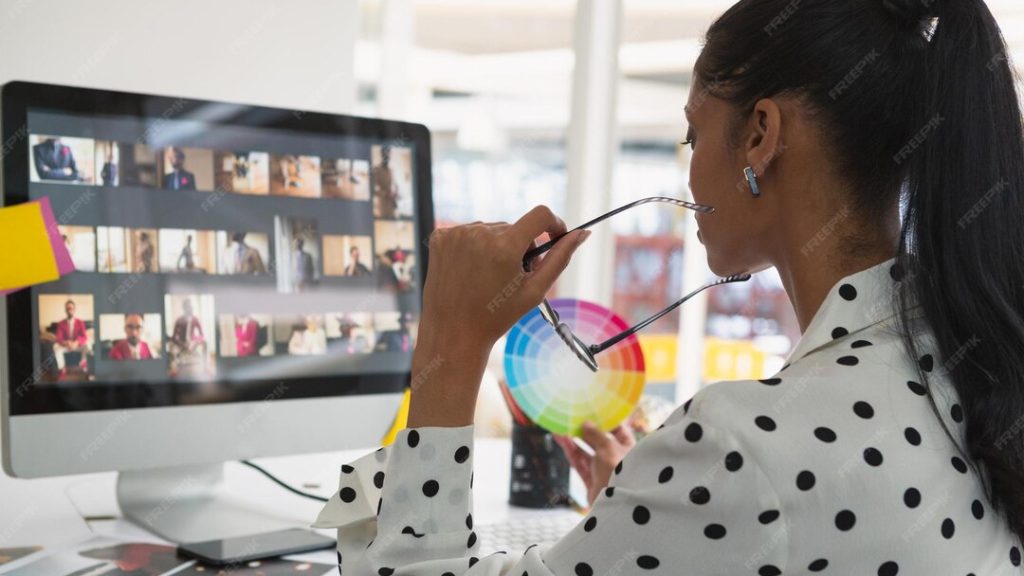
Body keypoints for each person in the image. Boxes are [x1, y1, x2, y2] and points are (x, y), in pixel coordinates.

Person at [314, 1, 1024, 574]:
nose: (687, 172)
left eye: (692, 135)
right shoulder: (972, 366)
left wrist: (452, 337)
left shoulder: (744, 449)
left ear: (760, 136)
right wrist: (662, 512)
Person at [53, 299, 89, 372]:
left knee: (87, 345)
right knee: (55, 346)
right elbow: (58, 338)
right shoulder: (61, 323)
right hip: (66, 346)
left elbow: (84, 337)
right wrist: (66, 343)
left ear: (74, 310)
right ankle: (62, 368)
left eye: (71, 308)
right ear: (65, 310)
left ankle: (83, 364)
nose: (69, 310)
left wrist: (77, 342)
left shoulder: (80, 322)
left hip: (77, 346)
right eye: (67, 309)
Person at [373, 146, 399, 218]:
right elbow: (373, 190)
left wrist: (395, 192)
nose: (388, 155)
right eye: (386, 153)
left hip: (392, 205)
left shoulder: (391, 170)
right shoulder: (377, 169)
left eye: (389, 153)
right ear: (382, 154)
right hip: (382, 206)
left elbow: (394, 185)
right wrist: (385, 194)